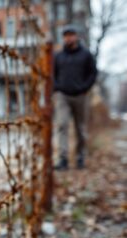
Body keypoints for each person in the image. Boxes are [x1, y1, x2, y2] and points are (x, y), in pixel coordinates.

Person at [54, 25, 97, 170]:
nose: (68, 37)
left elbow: (92, 73)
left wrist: (85, 88)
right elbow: (52, 75)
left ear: (76, 36)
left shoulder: (86, 55)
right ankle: (63, 159)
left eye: (71, 34)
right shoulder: (58, 56)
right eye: (66, 35)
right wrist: (57, 87)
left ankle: (80, 157)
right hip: (63, 96)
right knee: (62, 125)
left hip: (81, 96)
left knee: (80, 128)